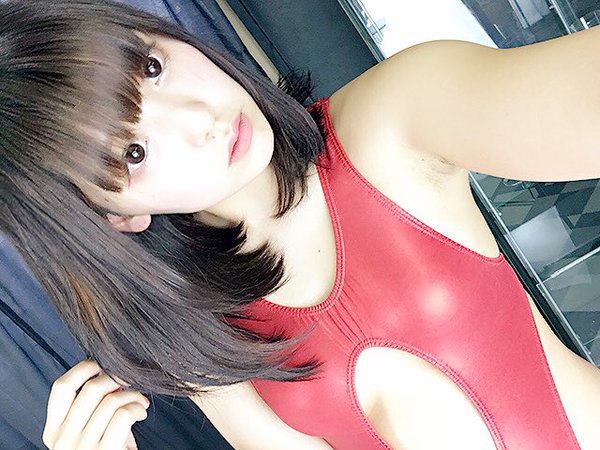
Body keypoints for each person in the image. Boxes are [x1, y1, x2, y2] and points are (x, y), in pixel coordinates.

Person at [1, 0, 599, 448]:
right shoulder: (203, 349)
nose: (200, 118)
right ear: (117, 216)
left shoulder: (390, 122)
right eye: (135, 153)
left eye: (152, 67)